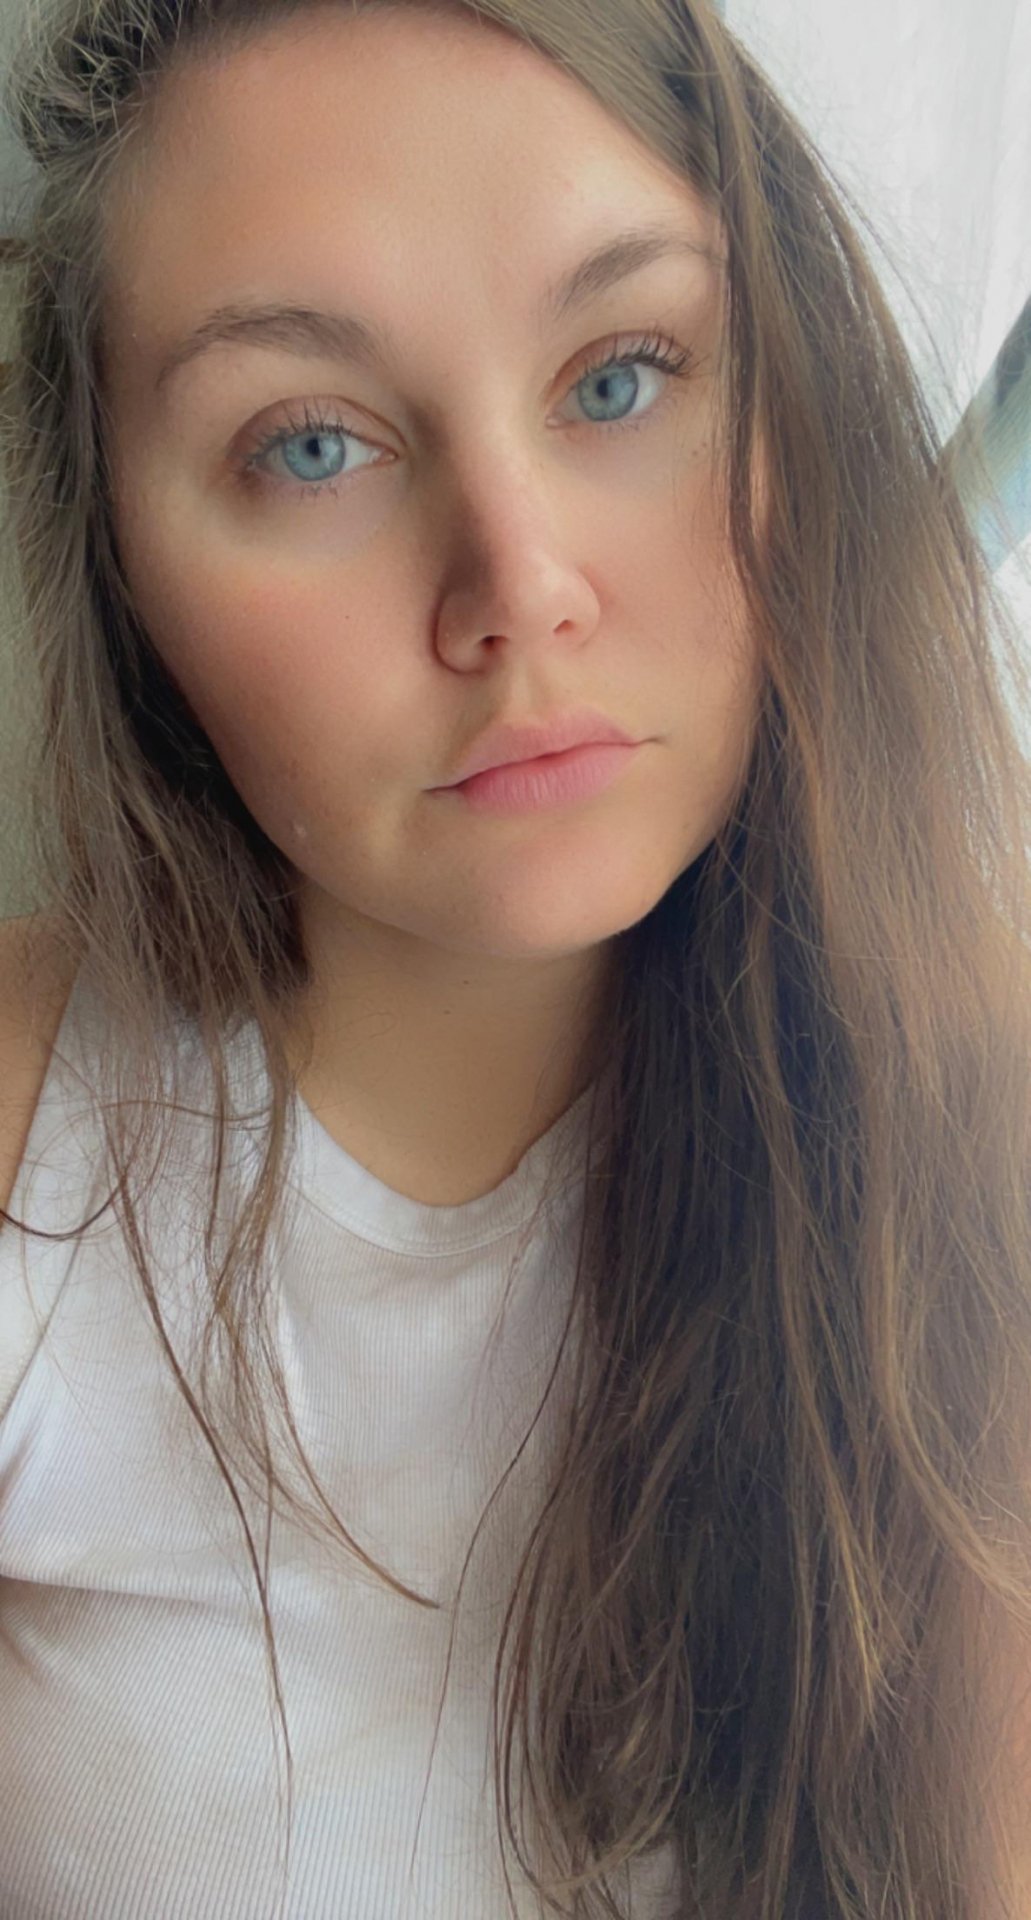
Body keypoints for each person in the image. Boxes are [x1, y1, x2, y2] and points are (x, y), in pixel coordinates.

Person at [0, 1, 1029, 1915]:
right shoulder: (31, 1149)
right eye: (313, 443)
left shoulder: (980, 1139)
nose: (519, 582)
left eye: (621, 377)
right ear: (122, 568)